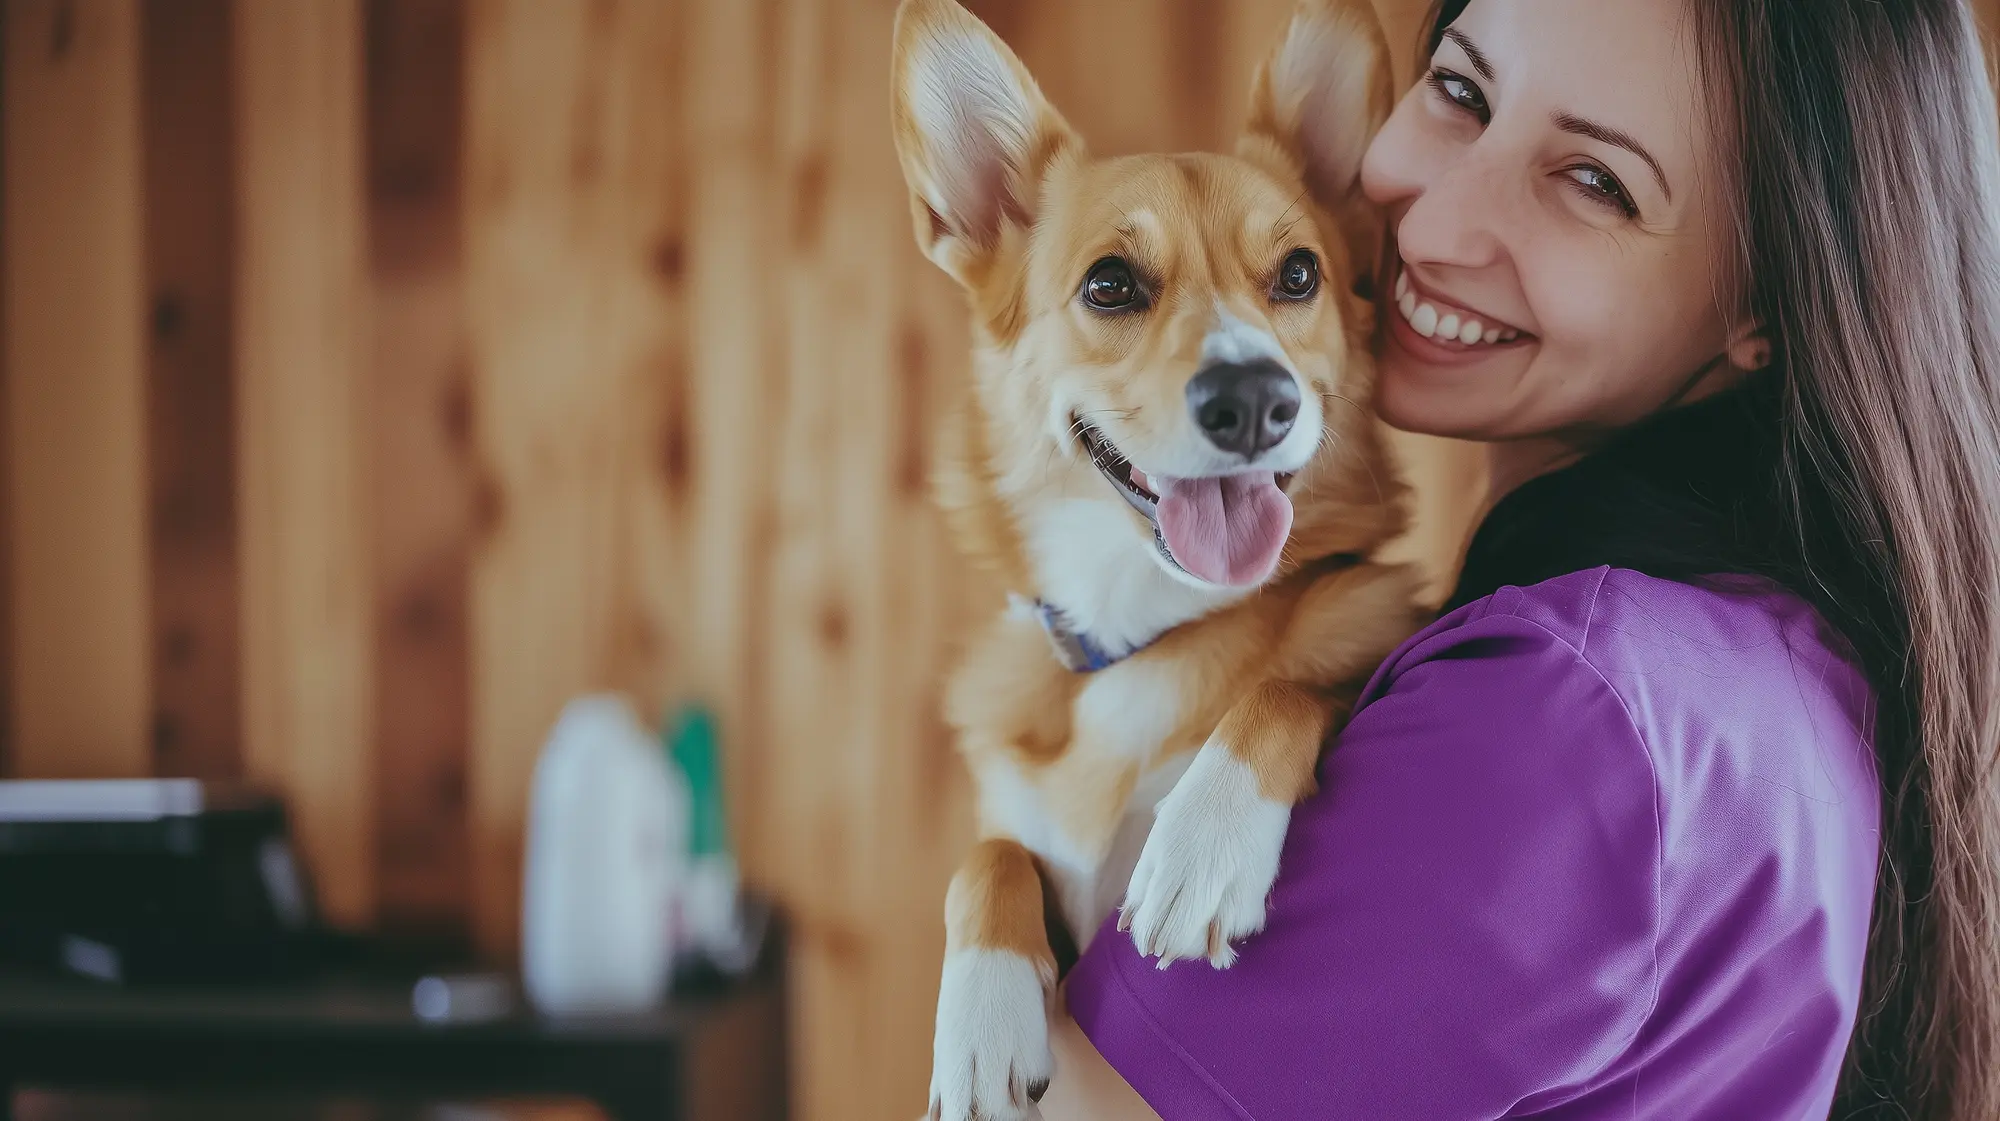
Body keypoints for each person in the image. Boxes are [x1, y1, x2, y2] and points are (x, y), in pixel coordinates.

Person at [1037, 0, 2000, 1117]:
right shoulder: (1785, 655)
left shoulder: (1562, 706)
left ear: (1763, 303)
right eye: (1458, 91)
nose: (1432, 222)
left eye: (1594, 182)